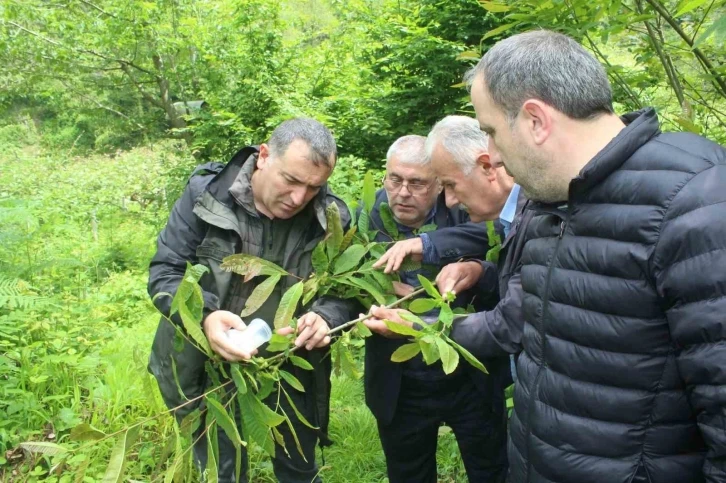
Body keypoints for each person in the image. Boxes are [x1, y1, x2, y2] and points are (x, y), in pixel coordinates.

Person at [383, 30, 726, 483]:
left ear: (535, 121)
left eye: (490, 131)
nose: (493, 156)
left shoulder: (697, 204)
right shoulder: (551, 203)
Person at [147, 118, 358, 483]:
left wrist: (326, 316)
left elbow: (343, 292)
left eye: (313, 188)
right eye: (291, 180)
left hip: (288, 367)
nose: (298, 198)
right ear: (263, 156)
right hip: (201, 361)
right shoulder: (206, 193)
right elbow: (167, 272)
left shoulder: (331, 218)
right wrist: (205, 318)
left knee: (298, 468)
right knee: (221, 468)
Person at [362, 134, 508, 483]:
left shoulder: (467, 206)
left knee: (491, 469)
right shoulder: (369, 218)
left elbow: (500, 253)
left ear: (439, 183)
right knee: (408, 472)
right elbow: (350, 285)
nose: (402, 192)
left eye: (417, 183)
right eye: (395, 179)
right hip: (401, 380)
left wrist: (465, 273)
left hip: (469, 375)